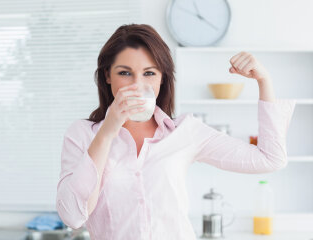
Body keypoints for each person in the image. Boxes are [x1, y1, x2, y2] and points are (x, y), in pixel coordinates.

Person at [56, 24, 296, 240]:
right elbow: (72, 216)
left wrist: (264, 81)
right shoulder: (83, 135)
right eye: (125, 73)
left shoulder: (185, 132)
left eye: (149, 73)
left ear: (162, 79)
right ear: (107, 75)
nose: (137, 85)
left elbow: (270, 158)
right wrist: (107, 132)